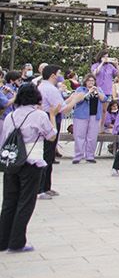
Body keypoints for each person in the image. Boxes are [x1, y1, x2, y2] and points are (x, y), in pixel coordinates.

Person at [1, 83, 55, 252]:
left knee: (9, 201)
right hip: (31, 162)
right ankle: (17, 242)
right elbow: (51, 136)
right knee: (25, 202)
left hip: (11, 161)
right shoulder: (39, 115)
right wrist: (52, 116)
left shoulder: (10, 116)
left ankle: (2, 240)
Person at [33, 65, 64, 200]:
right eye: (58, 74)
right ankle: (41, 188)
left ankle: (46, 186)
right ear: (52, 75)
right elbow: (60, 107)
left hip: (49, 116)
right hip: (49, 117)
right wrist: (75, 100)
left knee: (49, 154)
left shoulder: (43, 87)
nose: (59, 76)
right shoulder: (50, 88)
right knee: (47, 153)